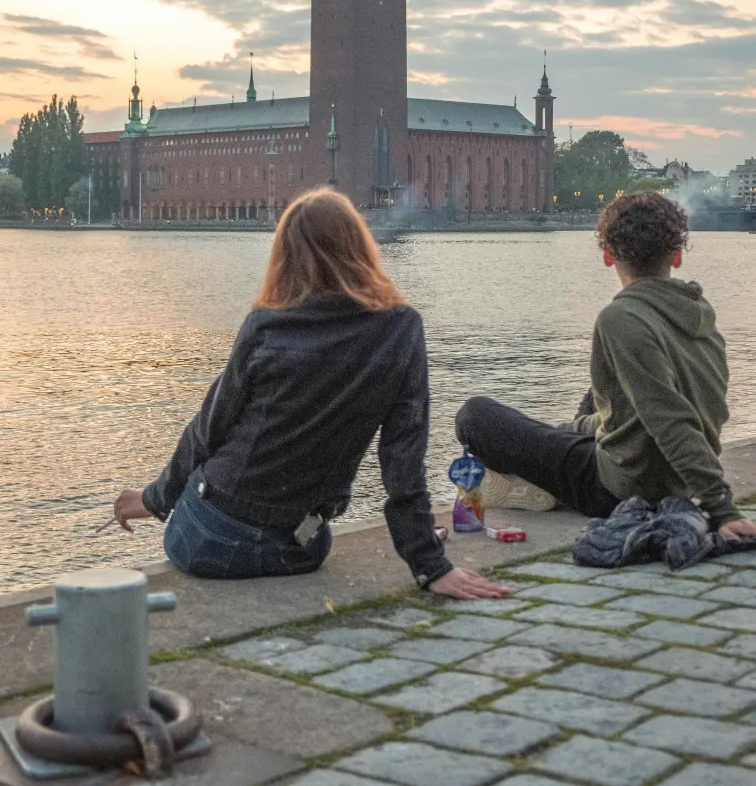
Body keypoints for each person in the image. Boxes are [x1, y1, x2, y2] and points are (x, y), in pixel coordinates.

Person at [113, 188, 511, 600]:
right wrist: (431, 566)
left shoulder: (266, 325)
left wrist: (154, 499)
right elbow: (403, 458)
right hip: (300, 548)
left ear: (285, 256)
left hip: (210, 539)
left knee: (213, 471)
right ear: (359, 246)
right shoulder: (401, 328)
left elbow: (209, 430)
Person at [456, 192, 756, 544]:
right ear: (677, 255)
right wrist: (568, 430)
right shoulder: (702, 318)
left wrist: (723, 510)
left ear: (609, 256)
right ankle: (545, 471)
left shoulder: (621, 319)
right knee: (597, 392)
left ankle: (534, 485)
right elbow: (662, 413)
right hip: (671, 477)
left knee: (474, 416)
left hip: (622, 487)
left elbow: (670, 418)